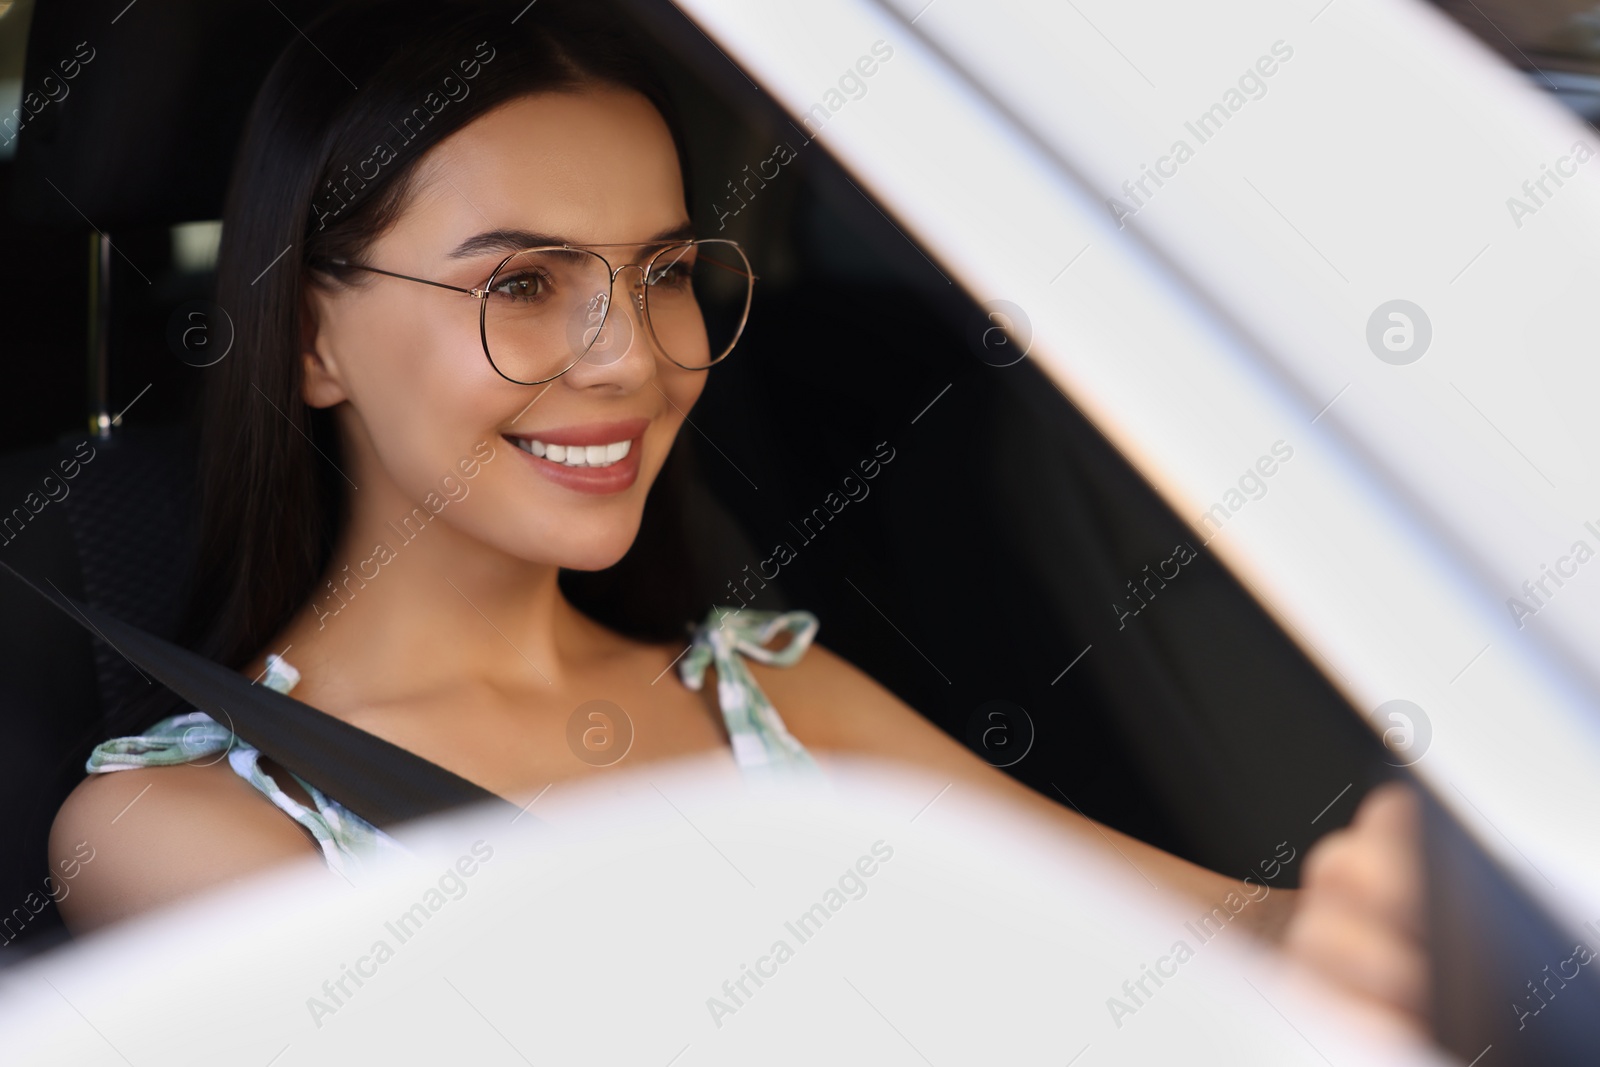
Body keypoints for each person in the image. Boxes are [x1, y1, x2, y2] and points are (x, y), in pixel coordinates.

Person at [48, 0, 1425, 1032]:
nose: (631, 358)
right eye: (523, 283)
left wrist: (1421, 916)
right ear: (309, 341)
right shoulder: (187, 829)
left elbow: (1210, 939)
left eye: (660, 273)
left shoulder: (766, 694)